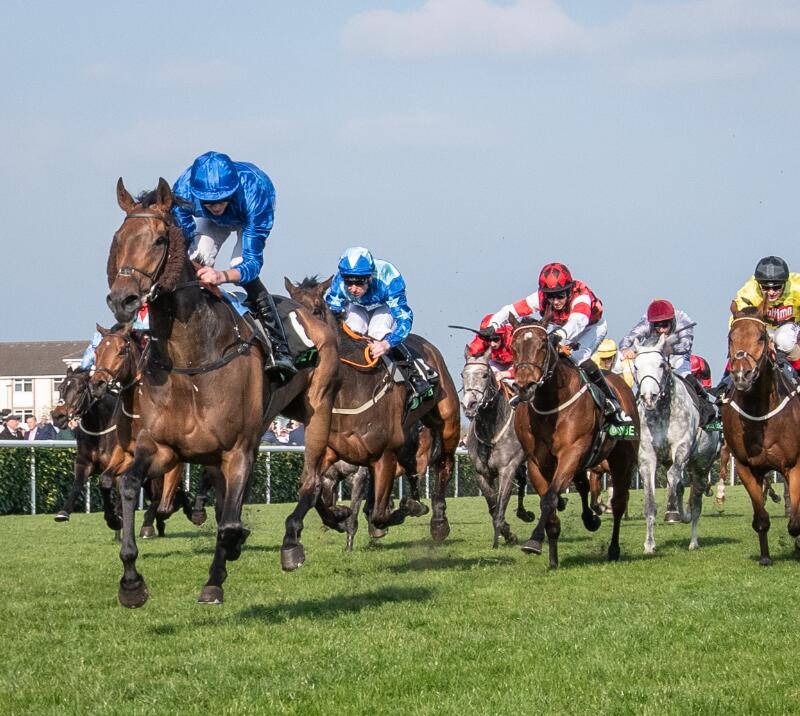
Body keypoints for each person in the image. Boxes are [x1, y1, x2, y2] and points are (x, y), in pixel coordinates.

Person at [172, 150, 296, 381]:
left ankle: (280, 348)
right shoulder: (182, 190)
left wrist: (221, 276)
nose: (216, 206)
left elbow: (252, 263)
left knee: (239, 266)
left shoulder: (254, 195)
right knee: (198, 255)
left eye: (221, 199)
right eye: (209, 201)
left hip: (248, 214)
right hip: (212, 220)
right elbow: (183, 227)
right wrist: (193, 258)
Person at [486, 262, 631, 425]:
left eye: (560, 296)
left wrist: (559, 336)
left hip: (591, 327)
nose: (555, 301)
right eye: (550, 296)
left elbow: (578, 321)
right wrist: (493, 325)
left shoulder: (581, 295)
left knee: (577, 358)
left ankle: (612, 402)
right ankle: (528, 390)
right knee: (541, 352)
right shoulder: (540, 298)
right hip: (562, 328)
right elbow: (510, 310)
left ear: (569, 291)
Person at [325, 246, 433, 406]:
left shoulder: (389, 278)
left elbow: (405, 318)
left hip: (384, 306)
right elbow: (331, 312)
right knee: (353, 329)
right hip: (356, 307)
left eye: (359, 282)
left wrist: (387, 343)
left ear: (369, 277)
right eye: (349, 281)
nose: (353, 288)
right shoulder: (339, 283)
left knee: (378, 331)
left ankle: (415, 372)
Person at [619, 299, 714, 405]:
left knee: (685, 376)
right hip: (655, 353)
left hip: (678, 355)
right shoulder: (646, 323)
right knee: (646, 377)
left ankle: (707, 400)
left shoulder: (683, 320)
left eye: (665, 325)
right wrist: (625, 349)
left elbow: (686, 346)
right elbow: (628, 339)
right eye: (657, 326)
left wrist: (669, 349)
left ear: (672, 320)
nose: (661, 330)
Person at [733, 255, 800, 377]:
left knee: (784, 340)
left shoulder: (797, 287)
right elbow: (738, 322)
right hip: (761, 328)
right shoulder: (749, 292)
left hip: (791, 327)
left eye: (776, 287)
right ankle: (725, 384)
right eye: (765, 287)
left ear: (785, 283)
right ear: (758, 284)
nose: (771, 292)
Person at [466, 314, 515, 383]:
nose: (492, 344)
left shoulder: (513, 339)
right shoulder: (481, 341)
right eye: (488, 339)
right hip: (496, 362)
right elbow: (471, 355)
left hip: (516, 363)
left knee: (512, 382)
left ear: (503, 335)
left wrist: (505, 374)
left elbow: (525, 366)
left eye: (495, 339)